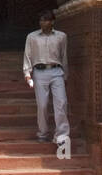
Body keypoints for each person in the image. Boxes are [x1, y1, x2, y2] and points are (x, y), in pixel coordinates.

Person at [23, 9, 69, 144]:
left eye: (45, 20)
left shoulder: (61, 36)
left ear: (52, 22)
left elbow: (64, 56)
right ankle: (43, 133)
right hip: (39, 72)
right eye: (41, 20)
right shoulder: (32, 37)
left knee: (61, 103)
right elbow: (28, 55)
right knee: (42, 105)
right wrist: (27, 73)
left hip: (57, 71)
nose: (42, 23)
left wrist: (65, 75)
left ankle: (61, 135)